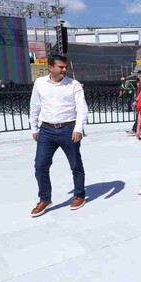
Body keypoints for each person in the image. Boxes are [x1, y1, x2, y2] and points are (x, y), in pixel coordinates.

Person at [29, 55, 89, 217]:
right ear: (51, 67)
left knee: (75, 164)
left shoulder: (74, 85)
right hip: (46, 130)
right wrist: (34, 128)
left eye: (66, 67)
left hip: (68, 129)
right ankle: (45, 199)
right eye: (61, 67)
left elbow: (82, 108)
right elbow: (34, 106)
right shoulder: (40, 83)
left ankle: (79, 195)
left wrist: (78, 128)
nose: (64, 70)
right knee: (40, 165)